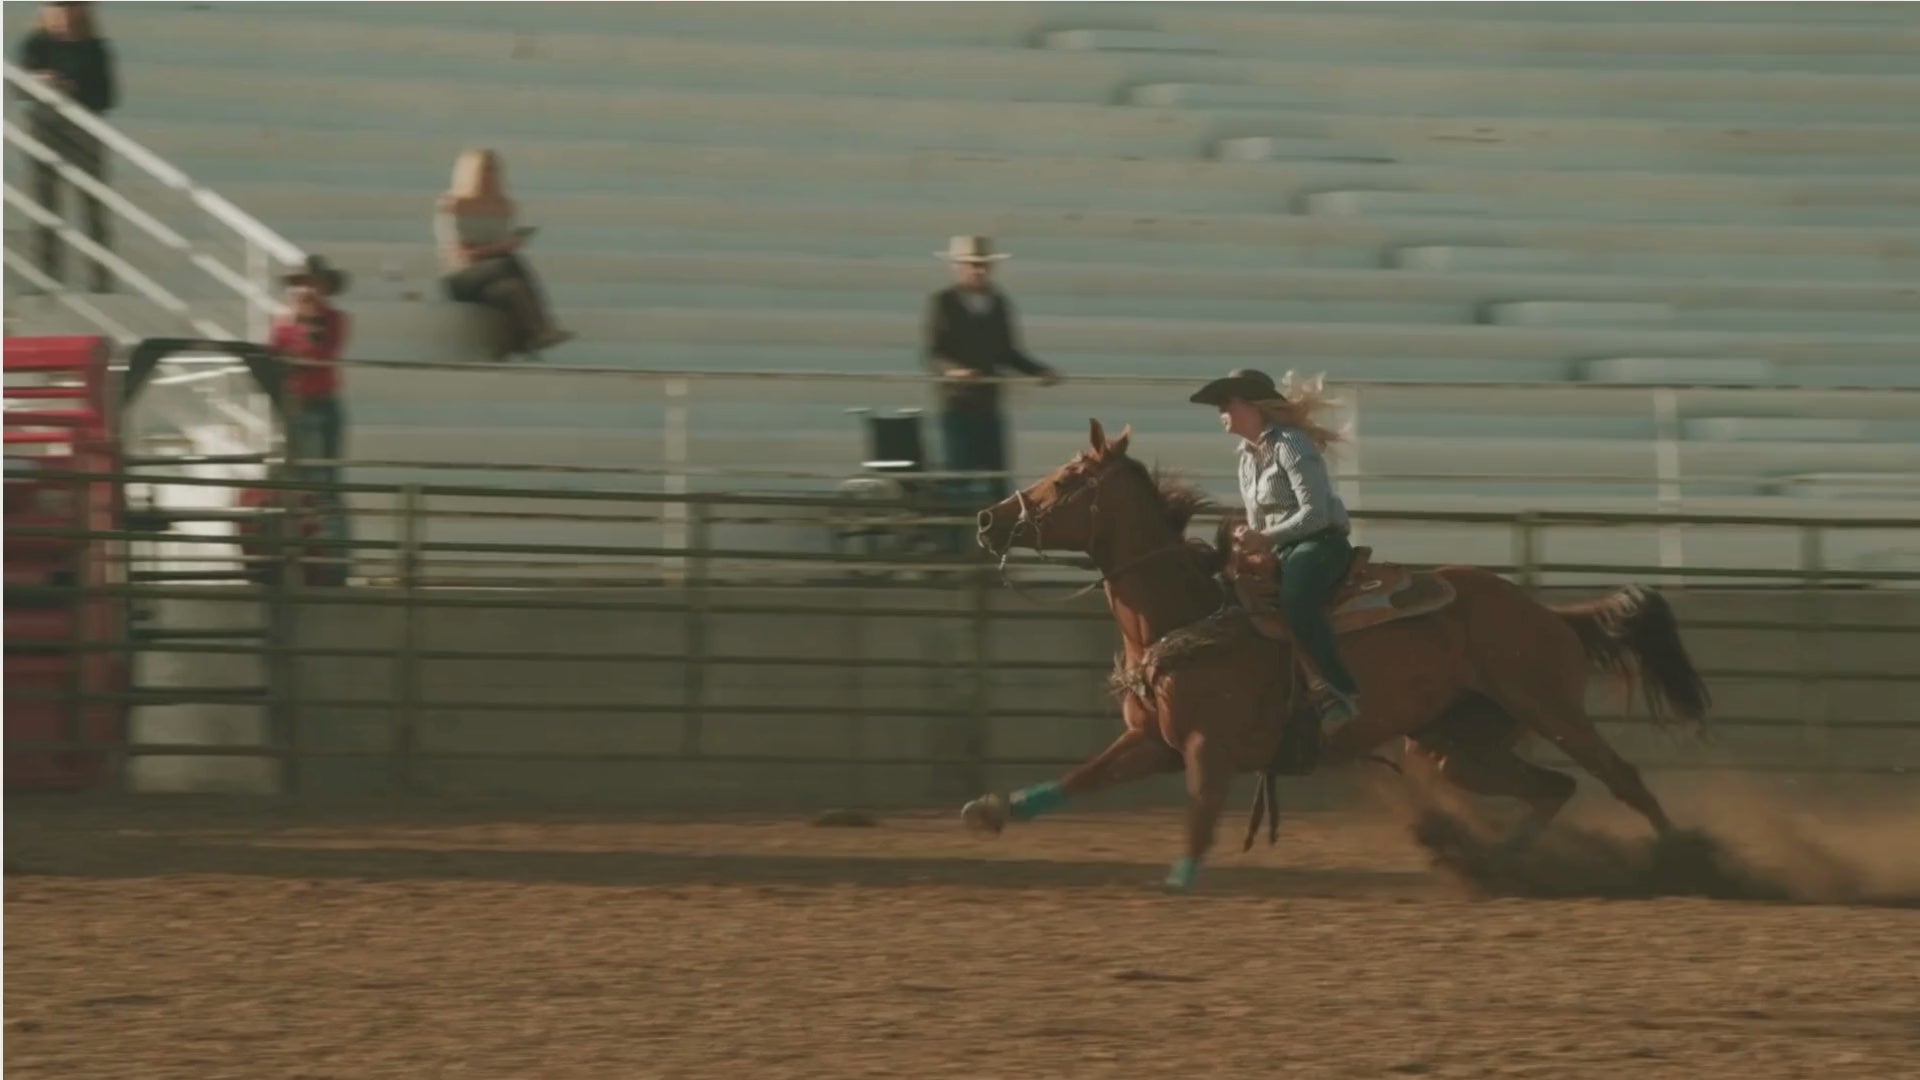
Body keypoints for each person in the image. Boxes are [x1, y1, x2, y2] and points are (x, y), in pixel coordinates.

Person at [1190, 367, 1360, 754]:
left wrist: (1263, 537)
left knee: (1297, 599)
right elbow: (1257, 521)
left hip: (1319, 544)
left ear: (1250, 405)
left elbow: (1315, 514)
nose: (1220, 411)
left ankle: (1340, 692)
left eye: (1225, 403)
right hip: (1281, 548)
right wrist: (1245, 540)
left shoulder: (1292, 445)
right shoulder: (1246, 459)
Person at [921, 235, 1059, 517]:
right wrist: (954, 372)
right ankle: (957, 547)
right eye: (972, 265)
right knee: (959, 480)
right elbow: (934, 353)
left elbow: (1009, 353)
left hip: (989, 405)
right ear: (957, 267)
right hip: (957, 406)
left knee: (997, 480)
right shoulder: (943, 303)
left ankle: (996, 546)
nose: (978, 271)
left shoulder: (999, 304)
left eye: (983, 265)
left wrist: (1039, 371)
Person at [15, 1, 117, 292]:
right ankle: (48, 278)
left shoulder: (95, 48)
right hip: (45, 132)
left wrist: (73, 88)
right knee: (47, 207)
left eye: (69, 9)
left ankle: (101, 282)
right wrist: (39, 81)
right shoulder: (36, 44)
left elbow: (107, 97)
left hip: (84, 134)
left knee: (93, 210)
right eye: (55, 10)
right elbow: (16, 88)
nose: (62, 17)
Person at [434, 148, 572, 360]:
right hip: (462, 277)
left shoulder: (505, 205)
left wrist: (506, 245)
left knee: (510, 289)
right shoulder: (455, 204)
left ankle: (519, 343)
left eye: (494, 169)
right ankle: (543, 329)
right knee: (508, 262)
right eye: (485, 169)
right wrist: (502, 247)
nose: (490, 175)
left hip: (495, 276)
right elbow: (463, 255)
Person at [268, 255, 351, 465]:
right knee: (299, 467)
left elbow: (323, 352)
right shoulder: (282, 323)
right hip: (295, 403)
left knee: (328, 467)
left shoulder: (335, 319)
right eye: (301, 283)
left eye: (313, 283)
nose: (307, 290)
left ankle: (327, 498)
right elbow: (274, 359)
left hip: (324, 400)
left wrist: (307, 320)